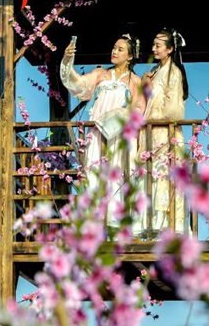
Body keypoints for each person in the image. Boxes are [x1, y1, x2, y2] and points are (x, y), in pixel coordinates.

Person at [60, 33, 145, 227]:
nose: (114, 51)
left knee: (118, 170)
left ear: (130, 56)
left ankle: (116, 222)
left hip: (121, 133)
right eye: (114, 47)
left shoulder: (135, 81)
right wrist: (67, 60)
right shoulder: (100, 75)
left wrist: (121, 114)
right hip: (98, 131)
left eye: (120, 49)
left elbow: (139, 108)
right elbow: (78, 85)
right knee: (94, 168)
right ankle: (94, 220)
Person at [139, 28, 189, 234]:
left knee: (164, 177)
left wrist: (149, 119)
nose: (153, 49)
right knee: (151, 176)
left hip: (165, 133)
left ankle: (166, 227)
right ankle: (150, 225)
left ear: (169, 49)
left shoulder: (173, 73)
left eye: (158, 45)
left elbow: (174, 110)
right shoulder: (156, 72)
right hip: (151, 133)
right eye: (153, 45)